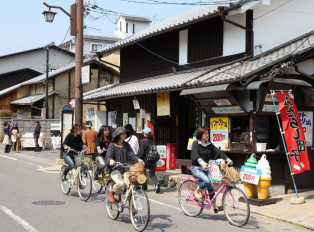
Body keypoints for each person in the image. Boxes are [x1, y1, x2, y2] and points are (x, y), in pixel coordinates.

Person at [191, 127, 233, 210]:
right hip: (196, 168)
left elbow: (218, 152)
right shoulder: (196, 143)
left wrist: (227, 159)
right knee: (206, 181)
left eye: (207, 134)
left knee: (211, 186)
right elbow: (195, 155)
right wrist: (202, 163)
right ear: (200, 135)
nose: (207, 135)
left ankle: (214, 205)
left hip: (205, 169)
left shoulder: (209, 144)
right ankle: (196, 191)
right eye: (205, 134)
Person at [105, 127, 142, 203]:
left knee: (131, 185)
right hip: (115, 169)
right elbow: (108, 157)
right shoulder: (112, 145)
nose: (125, 135)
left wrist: (138, 160)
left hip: (125, 168)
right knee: (121, 183)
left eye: (125, 133)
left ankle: (132, 205)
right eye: (123, 133)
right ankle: (112, 192)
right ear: (118, 135)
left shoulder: (126, 145)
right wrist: (111, 161)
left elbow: (132, 155)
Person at [137, 127, 160, 193]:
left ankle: (144, 187)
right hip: (153, 159)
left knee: (143, 173)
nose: (143, 134)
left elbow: (141, 152)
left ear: (146, 134)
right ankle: (156, 184)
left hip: (145, 160)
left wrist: (139, 158)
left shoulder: (143, 141)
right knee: (152, 174)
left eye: (144, 133)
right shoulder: (153, 140)